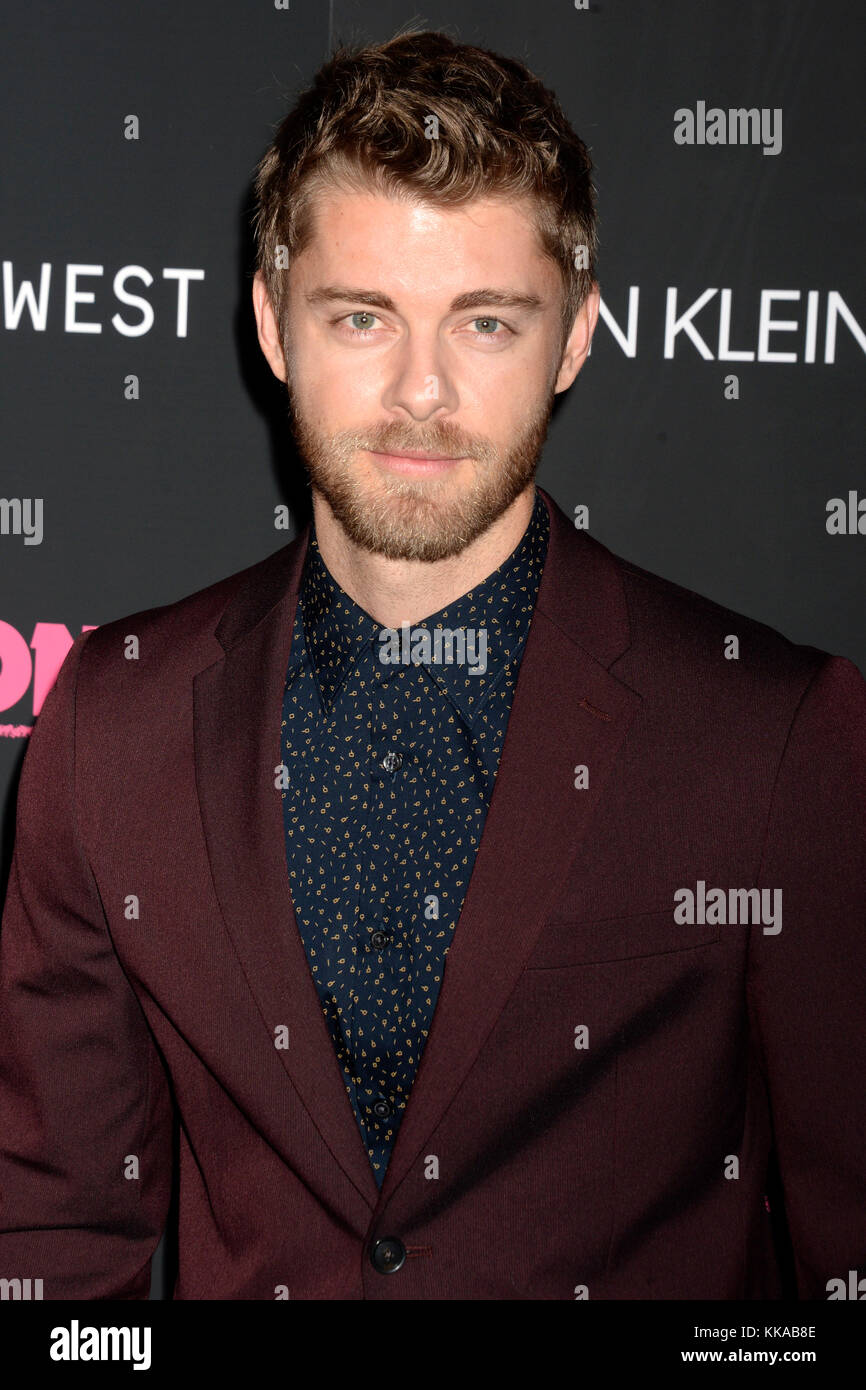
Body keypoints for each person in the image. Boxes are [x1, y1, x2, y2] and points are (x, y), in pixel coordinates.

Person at [1, 28, 864, 1302]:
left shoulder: (770, 737)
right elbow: (56, 1251)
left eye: (485, 322)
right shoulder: (117, 723)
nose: (420, 390)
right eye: (362, 316)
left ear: (571, 339)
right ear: (270, 325)